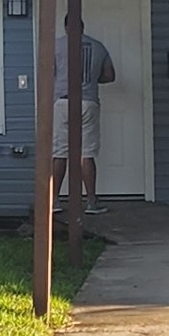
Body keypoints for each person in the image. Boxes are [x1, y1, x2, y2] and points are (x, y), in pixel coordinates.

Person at [52, 21, 116, 214]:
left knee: (60, 152)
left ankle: (54, 201)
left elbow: (48, 72)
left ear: (65, 27)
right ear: (83, 28)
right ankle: (91, 201)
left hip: (63, 102)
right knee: (86, 153)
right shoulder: (98, 47)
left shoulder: (56, 46)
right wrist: (91, 79)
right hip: (88, 102)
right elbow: (110, 76)